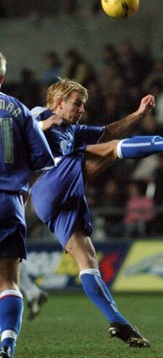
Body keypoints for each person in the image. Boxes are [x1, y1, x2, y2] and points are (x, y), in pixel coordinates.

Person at [29, 78, 163, 348]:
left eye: (83, 106)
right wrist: (42, 125)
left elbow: (108, 131)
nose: (81, 111)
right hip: (46, 184)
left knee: (87, 259)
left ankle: (118, 321)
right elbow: (15, 131)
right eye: (77, 104)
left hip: (59, 199)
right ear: (58, 103)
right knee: (111, 151)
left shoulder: (71, 131)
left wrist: (138, 114)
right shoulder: (38, 113)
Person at [0, 52, 55, 358]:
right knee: (8, 280)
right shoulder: (19, 109)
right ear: (2, 78)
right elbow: (42, 159)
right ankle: (6, 344)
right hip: (9, 201)